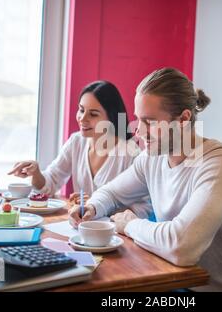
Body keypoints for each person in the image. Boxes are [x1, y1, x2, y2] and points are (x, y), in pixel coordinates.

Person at [69, 68, 222, 291]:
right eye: (138, 120)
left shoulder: (220, 165)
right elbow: (110, 193)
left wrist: (129, 225)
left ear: (183, 119)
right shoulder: (153, 157)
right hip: (172, 284)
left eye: (149, 122)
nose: (138, 131)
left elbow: (181, 247)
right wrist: (91, 207)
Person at [8, 80, 152, 219]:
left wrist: (97, 206)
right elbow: (50, 182)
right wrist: (36, 172)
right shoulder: (76, 142)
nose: (82, 118)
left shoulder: (131, 153)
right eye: (81, 110)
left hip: (113, 235)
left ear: (112, 117)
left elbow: (143, 209)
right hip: (79, 228)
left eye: (93, 114)